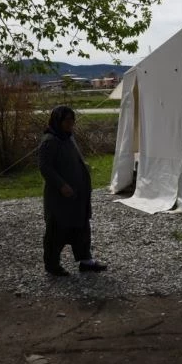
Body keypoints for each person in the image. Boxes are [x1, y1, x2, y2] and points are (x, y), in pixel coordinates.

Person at [38, 106, 106, 276]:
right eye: (67, 120)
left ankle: (86, 261)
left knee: (81, 227)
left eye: (72, 120)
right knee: (57, 230)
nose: (71, 124)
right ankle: (52, 265)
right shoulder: (50, 140)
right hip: (60, 197)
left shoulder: (67, 138)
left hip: (77, 195)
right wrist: (61, 185)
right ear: (58, 121)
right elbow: (45, 167)